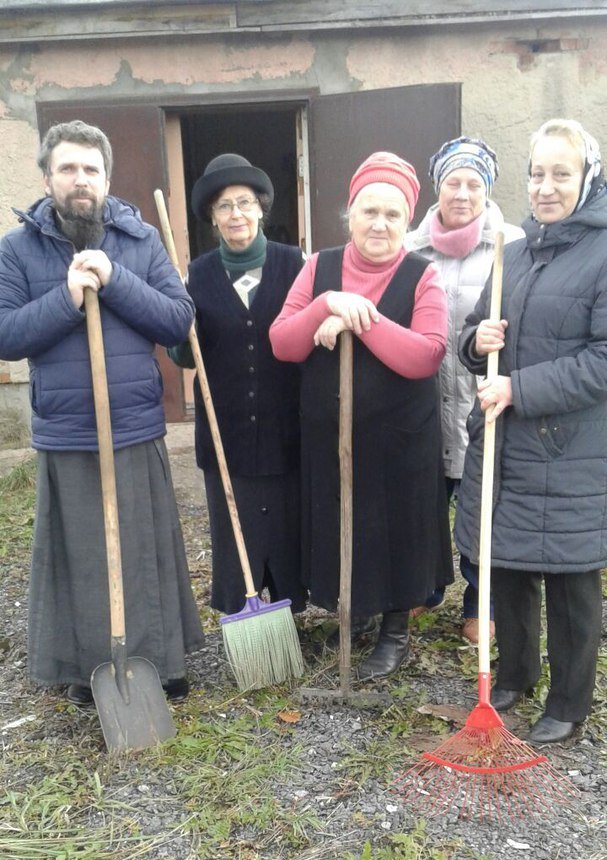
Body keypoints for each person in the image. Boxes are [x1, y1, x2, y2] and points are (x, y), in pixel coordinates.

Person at [0, 120, 204, 706]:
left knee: (143, 550)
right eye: (68, 168)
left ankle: (160, 663)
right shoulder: (18, 250)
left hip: (134, 423)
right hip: (67, 432)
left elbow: (176, 320)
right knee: (83, 554)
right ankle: (89, 667)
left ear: (107, 178)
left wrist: (113, 282)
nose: (80, 180)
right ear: (47, 178)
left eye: (91, 169)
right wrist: (65, 297)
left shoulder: (137, 241)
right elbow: (7, 334)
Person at [270, 152, 454, 679]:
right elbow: (283, 342)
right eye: (369, 211)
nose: (380, 223)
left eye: (393, 215)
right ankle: (353, 613)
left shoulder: (423, 276)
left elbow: (426, 354)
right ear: (349, 215)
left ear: (408, 222)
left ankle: (394, 630)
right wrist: (327, 302)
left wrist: (359, 317)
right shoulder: (319, 268)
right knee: (342, 519)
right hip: (331, 434)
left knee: (395, 527)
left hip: (400, 437)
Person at [454, 119, 607, 743]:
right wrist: (475, 341)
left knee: (570, 580)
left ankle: (569, 704)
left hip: (569, 450)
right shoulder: (509, 251)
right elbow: (474, 333)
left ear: (587, 178)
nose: (545, 186)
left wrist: (520, 387)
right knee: (505, 565)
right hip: (504, 442)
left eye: (560, 174)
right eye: (537, 173)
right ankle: (515, 675)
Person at [169, 154, 307, 617]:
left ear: (261, 208)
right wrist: (179, 330)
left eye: (245, 203)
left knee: (287, 526)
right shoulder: (198, 275)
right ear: (212, 216)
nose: (236, 215)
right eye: (224, 206)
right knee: (235, 527)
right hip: (225, 428)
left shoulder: (295, 265)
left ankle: (287, 612)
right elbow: (185, 354)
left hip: (287, 426)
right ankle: (241, 611)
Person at [405, 137, 524, 644]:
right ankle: (424, 587)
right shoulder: (411, 248)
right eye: (453, 182)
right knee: (422, 503)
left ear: (488, 189)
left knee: (483, 508)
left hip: (483, 403)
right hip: (424, 403)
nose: (462, 193)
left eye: (474, 183)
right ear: (437, 188)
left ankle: (480, 602)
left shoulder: (512, 244)